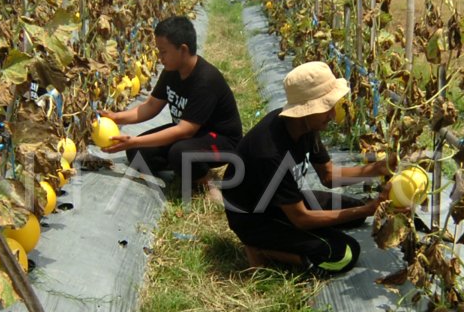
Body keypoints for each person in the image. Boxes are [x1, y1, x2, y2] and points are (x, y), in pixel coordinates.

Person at [222, 61, 395, 276]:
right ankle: (263, 250)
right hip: (255, 218)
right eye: (326, 107)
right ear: (305, 109)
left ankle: (293, 241)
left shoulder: (306, 126)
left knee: (355, 212)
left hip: (279, 202)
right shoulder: (269, 152)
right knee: (345, 252)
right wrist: (369, 209)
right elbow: (301, 219)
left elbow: (329, 175)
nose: (332, 114)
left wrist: (379, 168)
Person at [100, 16, 241, 195]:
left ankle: (206, 183)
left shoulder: (206, 80)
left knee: (180, 153)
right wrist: (115, 117)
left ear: (183, 50)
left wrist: (135, 140)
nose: (160, 58)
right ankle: (185, 167)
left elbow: (185, 130)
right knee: (137, 153)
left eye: (163, 52)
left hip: (221, 140)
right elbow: (150, 106)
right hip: (193, 134)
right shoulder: (171, 72)